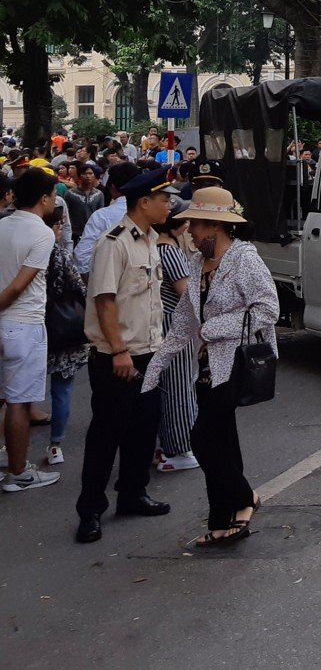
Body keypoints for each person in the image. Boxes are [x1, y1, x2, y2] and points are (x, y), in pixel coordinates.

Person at [144, 186, 278, 546]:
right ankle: (223, 519)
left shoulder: (244, 259)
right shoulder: (195, 261)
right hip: (207, 364)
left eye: (194, 225)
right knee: (221, 438)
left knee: (202, 439)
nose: (187, 230)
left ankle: (244, 496)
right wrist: (158, 363)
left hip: (235, 361)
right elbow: (187, 320)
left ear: (214, 227)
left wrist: (214, 328)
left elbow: (268, 309)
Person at [75, 167, 177, 543]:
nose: (169, 204)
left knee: (143, 430)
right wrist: (118, 350)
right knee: (106, 433)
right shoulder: (113, 241)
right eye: (164, 198)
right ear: (144, 202)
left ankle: (132, 493)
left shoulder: (151, 239)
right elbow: (103, 300)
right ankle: (90, 509)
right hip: (117, 355)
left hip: (149, 352)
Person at [0, 169, 61, 491]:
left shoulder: (2, 225)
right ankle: (18, 473)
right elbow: (18, 287)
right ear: (43, 198)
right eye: (53, 195)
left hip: (7, 325)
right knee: (19, 403)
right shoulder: (42, 233)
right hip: (22, 325)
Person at [153, 200, 199, 472]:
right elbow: (186, 294)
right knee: (179, 387)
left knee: (170, 386)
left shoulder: (156, 247)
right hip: (175, 324)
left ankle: (171, 446)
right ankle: (180, 448)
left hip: (164, 324)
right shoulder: (169, 251)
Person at [43, 205, 88, 468]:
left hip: (34, 324)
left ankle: (10, 446)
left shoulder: (27, 247)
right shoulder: (58, 253)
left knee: (21, 392)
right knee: (62, 387)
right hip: (63, 327)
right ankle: (55, 444)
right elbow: (79, 287)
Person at [74, 162, 140, 275]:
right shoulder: (149, 212)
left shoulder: (102, 216)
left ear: (112, 186)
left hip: (106, 280)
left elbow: (82, 257)